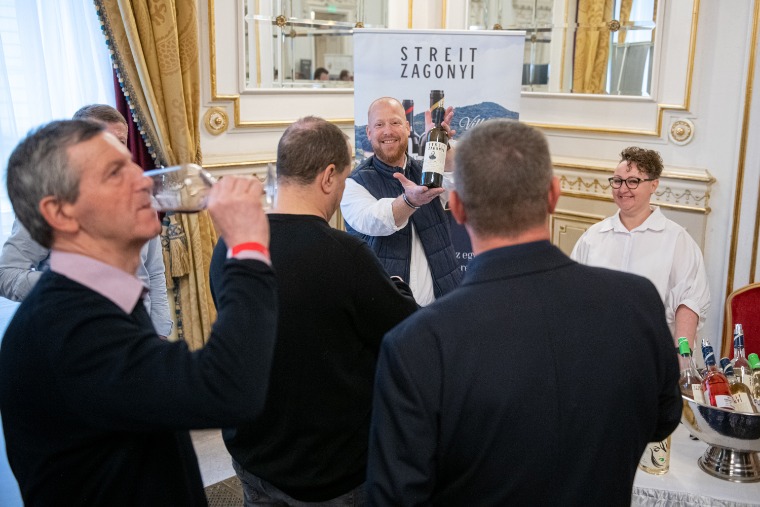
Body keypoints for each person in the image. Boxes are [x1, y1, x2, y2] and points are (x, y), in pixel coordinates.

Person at [366, 120, 682, 505]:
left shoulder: (416, 343)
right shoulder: (637, 302)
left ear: (458, 209)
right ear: (554, 195)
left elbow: (394, 497)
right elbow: (663, 420)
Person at [0, 119, 278, 505]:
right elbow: (228, 390)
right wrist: (247, 247)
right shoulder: (66, 326)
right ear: (61, 213)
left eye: (132, 163)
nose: (144, 181)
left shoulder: (103, 297)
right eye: (115, 173)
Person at [209, 116, 418, 505]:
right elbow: (408, 331)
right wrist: (397, 289)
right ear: (328, 177)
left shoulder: (231, 244)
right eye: (343, 181)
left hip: (254, 454)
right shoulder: (346, 254)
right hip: (330, 469)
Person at [0, 104, 173, 338]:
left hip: (139, 334)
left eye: (120, 143)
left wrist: (159, 332)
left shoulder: (141, 198)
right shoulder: (54, 206)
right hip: (74, 335)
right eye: (102, 142)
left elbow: (153, 271)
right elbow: (6, 274)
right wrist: (77, 285)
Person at [570, 146, 710, 348]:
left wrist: (682, 358)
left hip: (651, 350)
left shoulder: (677, 239)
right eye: (617, 181)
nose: (622, 189)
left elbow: (689, 303)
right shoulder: (593, 236)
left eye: (633, 181)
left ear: (654, 185)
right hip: (596, 347)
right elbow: (573, 295)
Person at [341, 97, 461, 306]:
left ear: (407, 127)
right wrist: (409, 201)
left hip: (442, 305)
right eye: (379, 125)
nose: (388, 131)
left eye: (395, 123)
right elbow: (374, 220)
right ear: (369, 132)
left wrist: (442, 144)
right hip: (386, 309)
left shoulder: (426, 172)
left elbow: (453, 181)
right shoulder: (354, 184)